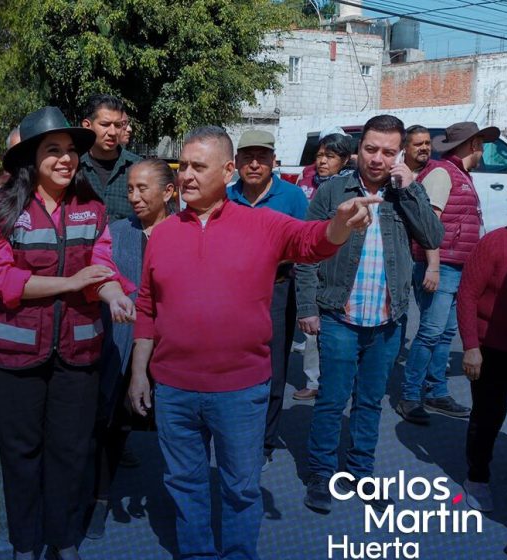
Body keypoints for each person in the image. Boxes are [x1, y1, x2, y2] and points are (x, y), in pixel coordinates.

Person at [129, 126, 374, 560]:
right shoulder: (163, 233)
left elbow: (311, 242)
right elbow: (147, 306)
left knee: (241, 487)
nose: (185, 175)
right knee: (184, 485)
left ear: (227, 172)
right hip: (174, 389)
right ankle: (196, 554)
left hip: (240, 391)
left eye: (197, 167)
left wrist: (339, 223)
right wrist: (138, 375)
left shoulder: (263, 224)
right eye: (182, 165)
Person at [0, 106, 137, 560]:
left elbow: (102, 266)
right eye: (54, 151)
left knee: (71, 452)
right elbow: (2, 281)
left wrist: (114, 296)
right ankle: (25, 546)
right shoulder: (1, 211)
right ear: (31, 158)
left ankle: (64, 540)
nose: (66, 159)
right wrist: (69, 283)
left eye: (70, 151)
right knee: (22, 456)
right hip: (12, 361)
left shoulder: (91, 207)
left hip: (78, 353)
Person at [297, 115, 444, 514]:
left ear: (399, 154)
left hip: (386, 321)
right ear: (358, 149)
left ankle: (361, 474)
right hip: (339, 315)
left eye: (388, 151)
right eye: (370, 149)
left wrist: (411, 190)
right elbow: (307, 252)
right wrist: (308, 307)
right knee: (331, 400)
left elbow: (433, 237)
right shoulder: (331, 191)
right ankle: (322, 476)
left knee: (369, 403)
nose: (378, 158)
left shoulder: (403, 193)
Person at [85, 158, 177, 540]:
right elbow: (101, 272)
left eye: (144, 189)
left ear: (169, 192)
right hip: (122, 342)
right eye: (130, 190)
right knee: (110, 426)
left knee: (177, 429)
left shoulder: (184, 233)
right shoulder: (117, 231)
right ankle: (100, 500)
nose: (134, 198)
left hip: (172, 343)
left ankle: (181, 506)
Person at [397, 122, 493, 424]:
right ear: (473, 144)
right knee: (430, 333)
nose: (483, 150)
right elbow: (428, 223)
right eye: (481, 144)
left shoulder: (459, 174)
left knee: (445, 333)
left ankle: (436, 390)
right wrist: (434, 266)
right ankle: (410, 396)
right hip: (440, 266)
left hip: (457, 267)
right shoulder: (442, 173)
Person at [228, 129, 309, 472]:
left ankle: (264, 440)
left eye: (262, 157)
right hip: (231, 291)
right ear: (236, 163)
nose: (255, 164)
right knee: (231, 363)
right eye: (247, 157)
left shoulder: (292, 197)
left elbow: (306, 245)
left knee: (273, 367)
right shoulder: (226, 196)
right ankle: (232, 431)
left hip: (278, 288)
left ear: (273, 161)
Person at [456, 206, 507, 512]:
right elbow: (467, 293)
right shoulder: (496, 242)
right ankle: (477, 477)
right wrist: (470, 346)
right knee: (489, 414)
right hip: (492, 345)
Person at [293, 132, 356, 401]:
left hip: (336, 268)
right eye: (319, 155)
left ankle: (338, 383)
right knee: (312, 333)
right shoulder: (306, 180)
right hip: (309, 262)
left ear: (343, 160)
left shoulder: (349, 188)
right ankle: (314, 380)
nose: (322, 161)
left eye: (329, 156)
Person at [78, 95, 143, 223]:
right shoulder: (72, 167)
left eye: (118, 125)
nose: (113, 132)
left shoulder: (139, 168)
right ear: (87, 125)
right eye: (105, 124)